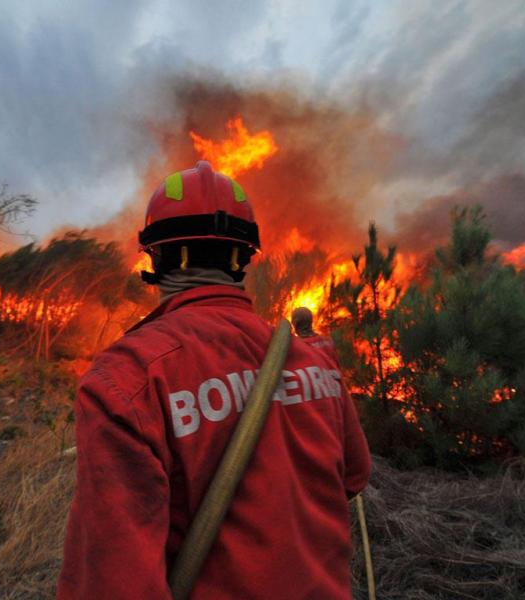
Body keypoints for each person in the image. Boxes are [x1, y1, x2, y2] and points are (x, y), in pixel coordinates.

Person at [57, 161, 371, 599]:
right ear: (244, 257)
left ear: (155, 256)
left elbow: (113, 579)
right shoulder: (316, 362)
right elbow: (353, 477)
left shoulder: (128, 379)